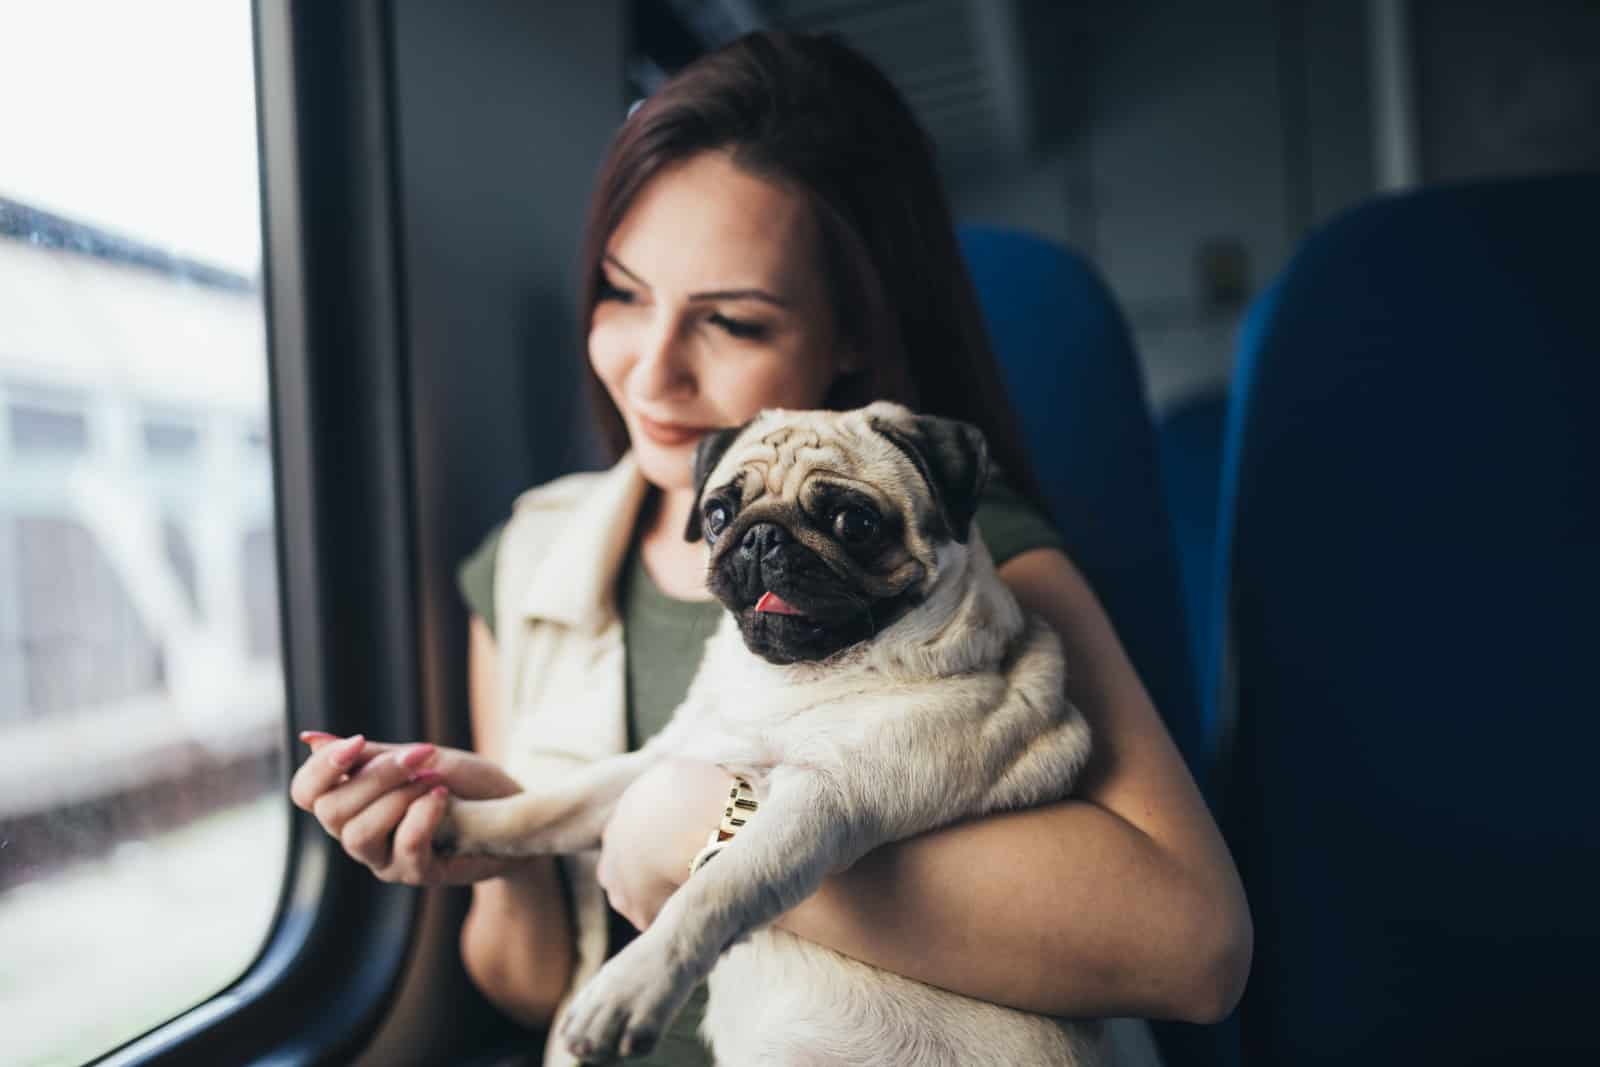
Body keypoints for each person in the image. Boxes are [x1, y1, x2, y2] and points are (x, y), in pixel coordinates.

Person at [290, 30, 1251, 1067]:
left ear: (851, 331)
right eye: (621, 293)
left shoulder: (973, 551)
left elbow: (1194, 948)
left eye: (732, 323)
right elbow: (533, 987)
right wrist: (501, 836)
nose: (652, 371)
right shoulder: (531, 564)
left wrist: (704, 823)